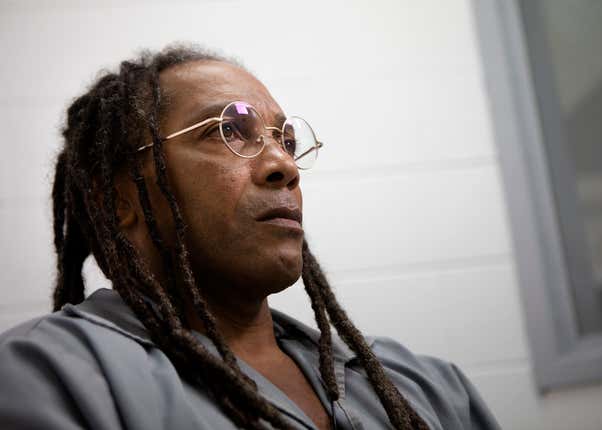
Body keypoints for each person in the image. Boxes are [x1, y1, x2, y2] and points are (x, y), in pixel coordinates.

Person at [0, 45, 501, 430]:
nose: (284, 164)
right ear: (121, 198)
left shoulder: (423, 385)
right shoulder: (46, 376)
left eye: (286, 140)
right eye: (229, 131)